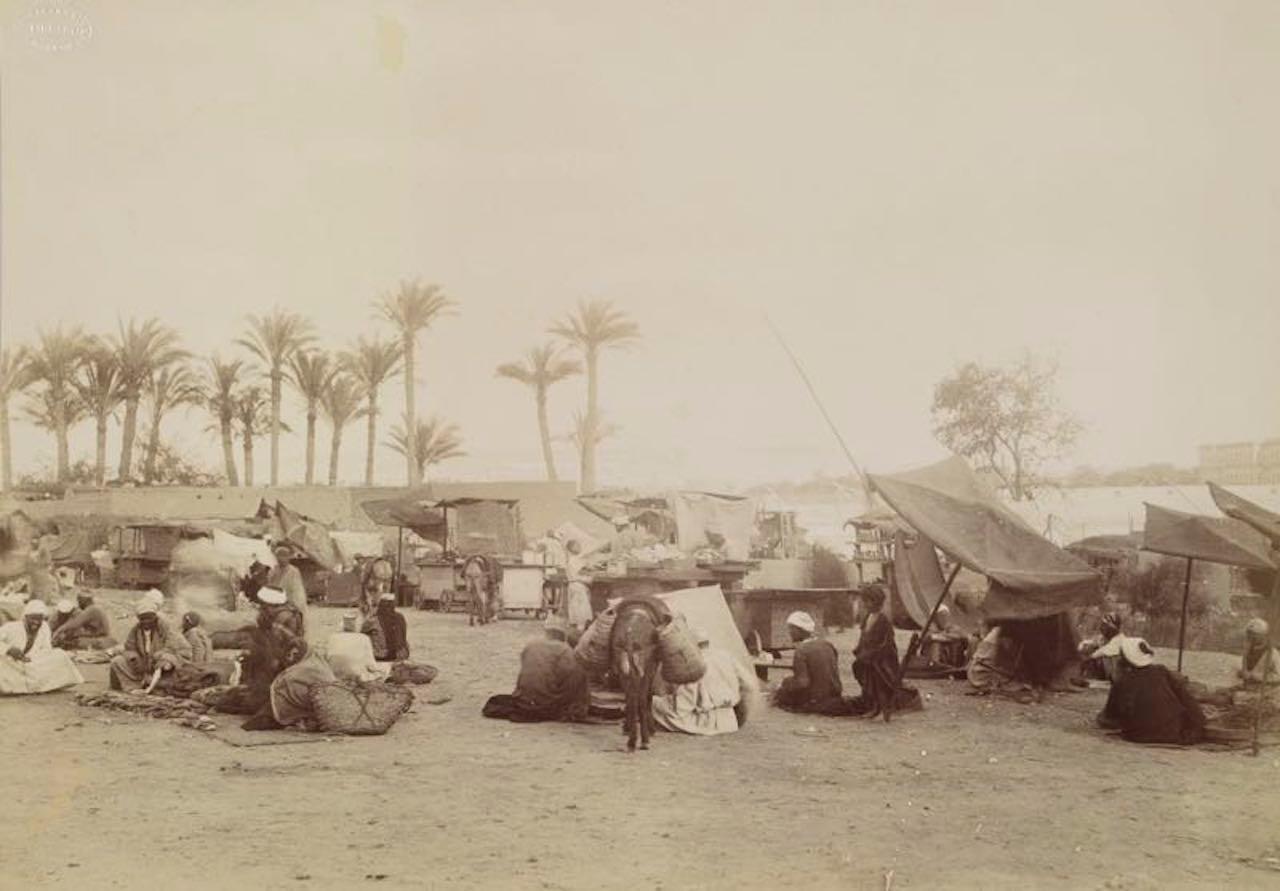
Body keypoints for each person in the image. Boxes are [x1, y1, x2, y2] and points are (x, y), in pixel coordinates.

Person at [1097, 637, 1206, 745]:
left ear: (1125, 659)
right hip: (1173, 733)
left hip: (1137, 736)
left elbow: (1110, 718)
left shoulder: (1121, 682)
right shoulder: (1161, 672)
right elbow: (1190, 703)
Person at [652, 627, 758, 735]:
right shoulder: (725, 656)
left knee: (654, 708)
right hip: (730, 722)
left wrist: (655, 701)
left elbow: (681, 707)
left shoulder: (694, 665)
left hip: (704, 723)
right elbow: (749, 685)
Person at [482, 616, 589, 723]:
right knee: (580, 676)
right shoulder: (565, 650)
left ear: (546, 631)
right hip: (546, 702)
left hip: (524, 700)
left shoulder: (531, 645)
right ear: (563, 634)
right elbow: (573, 678)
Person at [850, 587, 922, 719]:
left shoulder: (883, 621)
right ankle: (871, 704)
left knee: (878, 681)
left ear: (877, 602)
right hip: (868, 656)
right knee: (865, 677)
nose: (866, 604)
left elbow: (886, 643)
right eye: (865, 601)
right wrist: (859, 648)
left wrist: (872, 654)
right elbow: (863, 636)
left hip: (883, 659)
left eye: (869, 602)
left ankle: (879, 707)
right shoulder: (867, 617)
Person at [0, 599, 84, 694]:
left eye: (39, 619)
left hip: (32, 664)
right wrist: (8, 649)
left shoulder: (44, 627)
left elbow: (46, 650)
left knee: (60, 655)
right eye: (33, 618)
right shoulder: (12, 627)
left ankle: (26, 684)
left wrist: (31, 658)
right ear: (25, 617)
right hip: (11, 663)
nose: (36, 622)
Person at [773, 611, 848, 715]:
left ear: (800, 630)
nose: (790, 632)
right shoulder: (827, 645)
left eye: (791, 628)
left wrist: (784, 684)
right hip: (835, 697)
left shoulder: (801, 650)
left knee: (782, 691)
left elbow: (802, 683)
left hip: (816, 701)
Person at [109, 600, 193, 693]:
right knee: (117, 661)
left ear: (155, 617)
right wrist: (133, 658)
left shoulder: (167, 629)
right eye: (142, 619)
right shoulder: (136, 630)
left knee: (168, 679)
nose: (146, 621)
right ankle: (134, 687)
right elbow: (129, 648)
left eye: (149, 618)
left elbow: (182, 650)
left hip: (163, 669)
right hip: (143, 667)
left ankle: (152, 684)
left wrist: (166, 659)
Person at [325, 610, 387, 683]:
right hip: (356, 675)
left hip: (334, 673)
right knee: (384, 670)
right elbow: (371, 665)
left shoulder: (332, 637)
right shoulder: (364, 638)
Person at [51, 591, 116, 650]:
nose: (78, 603)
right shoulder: (93, 608)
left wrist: (58, 631)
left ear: (85, 601)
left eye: (79, 601)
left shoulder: (92, 610)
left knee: (75, 642)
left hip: (101, 637)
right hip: (97, 635)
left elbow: (74, 623)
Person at [363, 592, 410, 662]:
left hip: (381, 656)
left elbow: (360, 632)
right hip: (401, 655)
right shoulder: (400, 617)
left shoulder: (373, 620)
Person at [1238, 618, 1279, 685]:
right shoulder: (1248, 650)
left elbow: (1278, 677)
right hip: (1248, 688)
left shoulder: (1273, 653)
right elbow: (1247, 670)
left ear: (1263, 635)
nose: (1250, 637)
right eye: (1249, 634)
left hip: (1265, 691)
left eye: (1254, 635)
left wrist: (1254, 676)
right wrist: (1242, 672)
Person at [563, 539, 593, 631]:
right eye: (577, 546)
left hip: (573, 586)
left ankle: (576, 629)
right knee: (581, 610)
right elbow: (584, 571)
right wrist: (589, 570)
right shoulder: (575, 560)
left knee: (575, 609)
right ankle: (580, 630)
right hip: (578, 586)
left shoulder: (571, 559)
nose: (580, 547)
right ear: (572, 548)